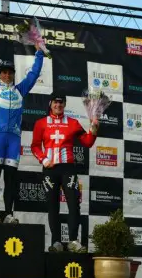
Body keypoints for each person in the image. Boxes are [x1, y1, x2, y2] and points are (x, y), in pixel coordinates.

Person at [0, 28, 45, 224]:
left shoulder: (20, 90)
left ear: (13, 75)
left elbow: (33, 74)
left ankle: (8, 214)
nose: (6, 75)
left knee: (11, 180)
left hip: (13, 140)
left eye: (9, 72)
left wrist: (39, 52)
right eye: (3, 72)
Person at [30, 93, 99, 253]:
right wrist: (44, 160)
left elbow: (87, 142)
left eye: (61, 103)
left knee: (74, 205)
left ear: (65, 105)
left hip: (68, 168)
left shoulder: (73, 123)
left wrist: (94, 128)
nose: (58, 105)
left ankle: (73, 241)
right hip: (49, 169)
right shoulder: (41, 123)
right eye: (56, 102)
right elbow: (34, 146)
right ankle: (56, 242)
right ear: (50, 103)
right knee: (52, 206)